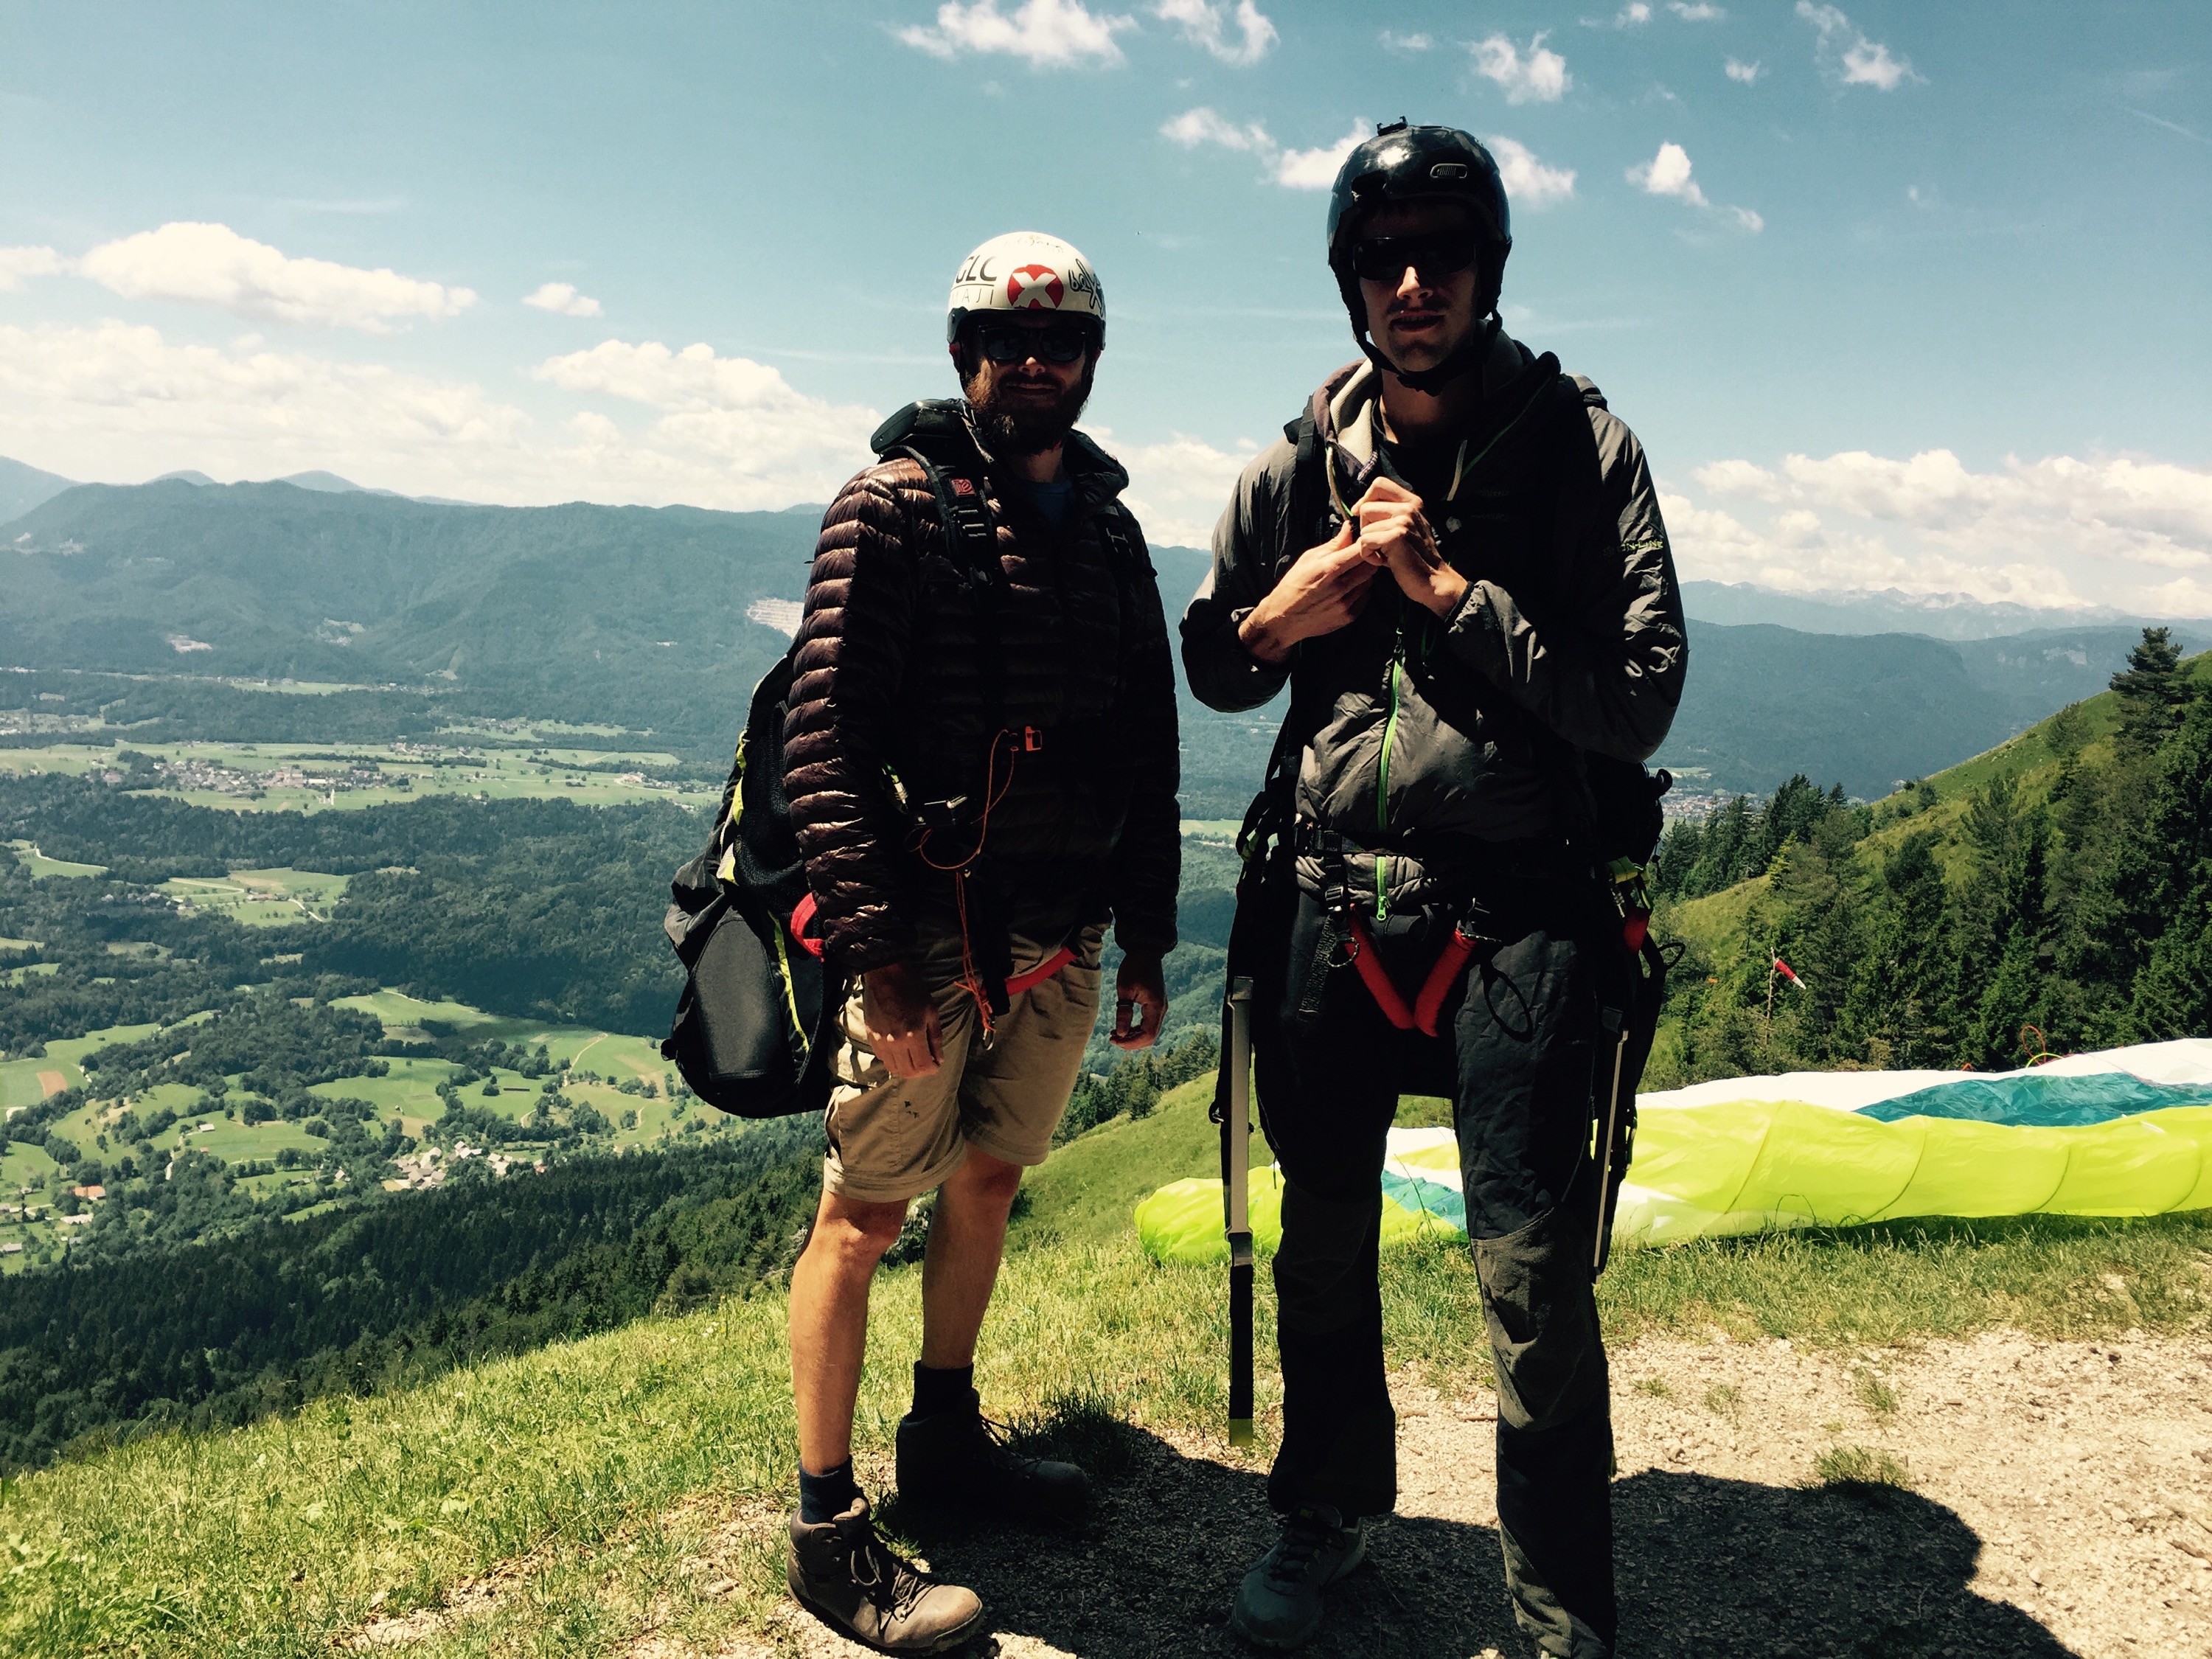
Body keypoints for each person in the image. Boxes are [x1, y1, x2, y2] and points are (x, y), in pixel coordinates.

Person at [1182, 125, 1687, 1657]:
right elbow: (1211, 664)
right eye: (1384, 259)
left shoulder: (1581, 452)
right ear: (1350, 282)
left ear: (1487, 270)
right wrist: (1297, 607)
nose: (1414, 284)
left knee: (1531, 1281)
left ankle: (1558, 1616)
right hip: (1333, 908)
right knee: (1322, 1239)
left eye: (1443, 256)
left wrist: (1450, 601)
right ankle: (1326, 1514)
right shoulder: (1293, 467)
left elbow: (1642, 697)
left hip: (1521, 917)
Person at [779, 229, 1180, 1653]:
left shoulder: (1118, 536)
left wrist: (1145, 933)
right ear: (963, 357)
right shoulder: (887, 512)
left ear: (1089, 361)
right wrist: (879, 961)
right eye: (1006, 341)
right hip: (930, 945)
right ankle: (828, 1535)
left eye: (1060, 340)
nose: (1033, 361)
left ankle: (946, 1439)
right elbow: (819, 749)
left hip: (1062, 935)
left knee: (994, 1179)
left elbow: (1148, 741)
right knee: (868, 1208)